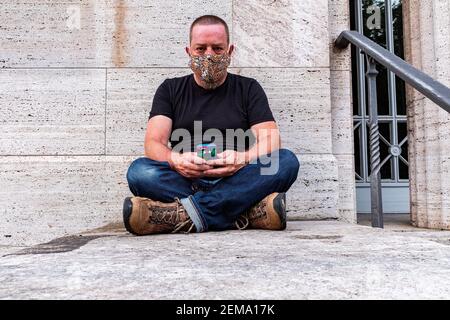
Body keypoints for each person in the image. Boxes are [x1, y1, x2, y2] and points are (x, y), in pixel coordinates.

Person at [123, 15, 300, 235]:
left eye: (217, 48)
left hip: (238, 177)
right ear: (188, 51)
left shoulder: (248, 88)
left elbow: (271, 139)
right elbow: (153, 143)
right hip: (186, 180)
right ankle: (245, 212)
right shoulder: (169, 89)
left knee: (286, 162)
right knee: (140, 172)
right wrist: (176, 160)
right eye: (201, 49)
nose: (209, 55)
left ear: (230, 51)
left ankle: (181, 215)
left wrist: (242, 158)